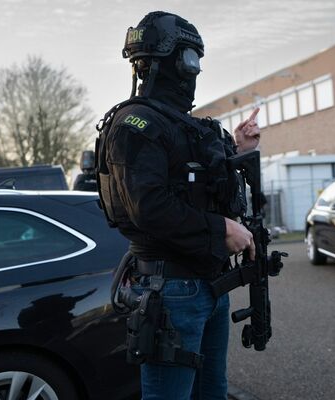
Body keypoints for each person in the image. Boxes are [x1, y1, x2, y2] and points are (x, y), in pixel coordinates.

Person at [96, 11, 262, 400]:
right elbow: (148, 207)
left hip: (208, 285)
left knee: (212, 393)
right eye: (191, 59)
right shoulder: (135, 125)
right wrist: (222, 229)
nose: (196, 71)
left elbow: (198, 187)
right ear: (167, 59)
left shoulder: (177, 124)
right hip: (172, 290)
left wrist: (239, 150)